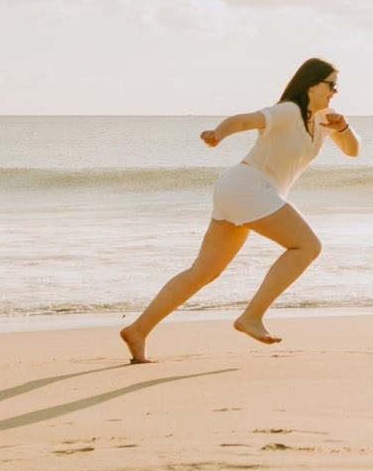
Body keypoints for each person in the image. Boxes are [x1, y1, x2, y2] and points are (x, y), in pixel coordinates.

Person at [120, 58, 358, 363]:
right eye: (332, 84)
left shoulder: (325, 120)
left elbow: (353, 150)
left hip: (244, 190)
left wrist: (344, 128)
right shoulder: (288, 111)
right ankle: (252, 316)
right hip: (247, 186)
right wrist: (219, 133)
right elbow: (246, 120)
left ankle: (138, 330)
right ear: (312, 84)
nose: (336, 91)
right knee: (307, 246)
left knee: (203, 272)